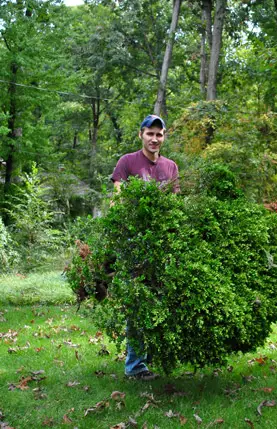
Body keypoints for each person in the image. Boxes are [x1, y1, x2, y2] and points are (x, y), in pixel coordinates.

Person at [110, 114, 179, 380]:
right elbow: (117, 202)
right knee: (138, 302)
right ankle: (136, 366)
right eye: (149, 133)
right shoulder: (127, 162)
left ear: (164, 136)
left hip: (162, 244)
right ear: (141, 134)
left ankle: (152, 358)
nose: (154, 139)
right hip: (134, 243)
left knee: (162, 300)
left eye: (159, 134)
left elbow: (175, 206)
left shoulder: (171, 167)